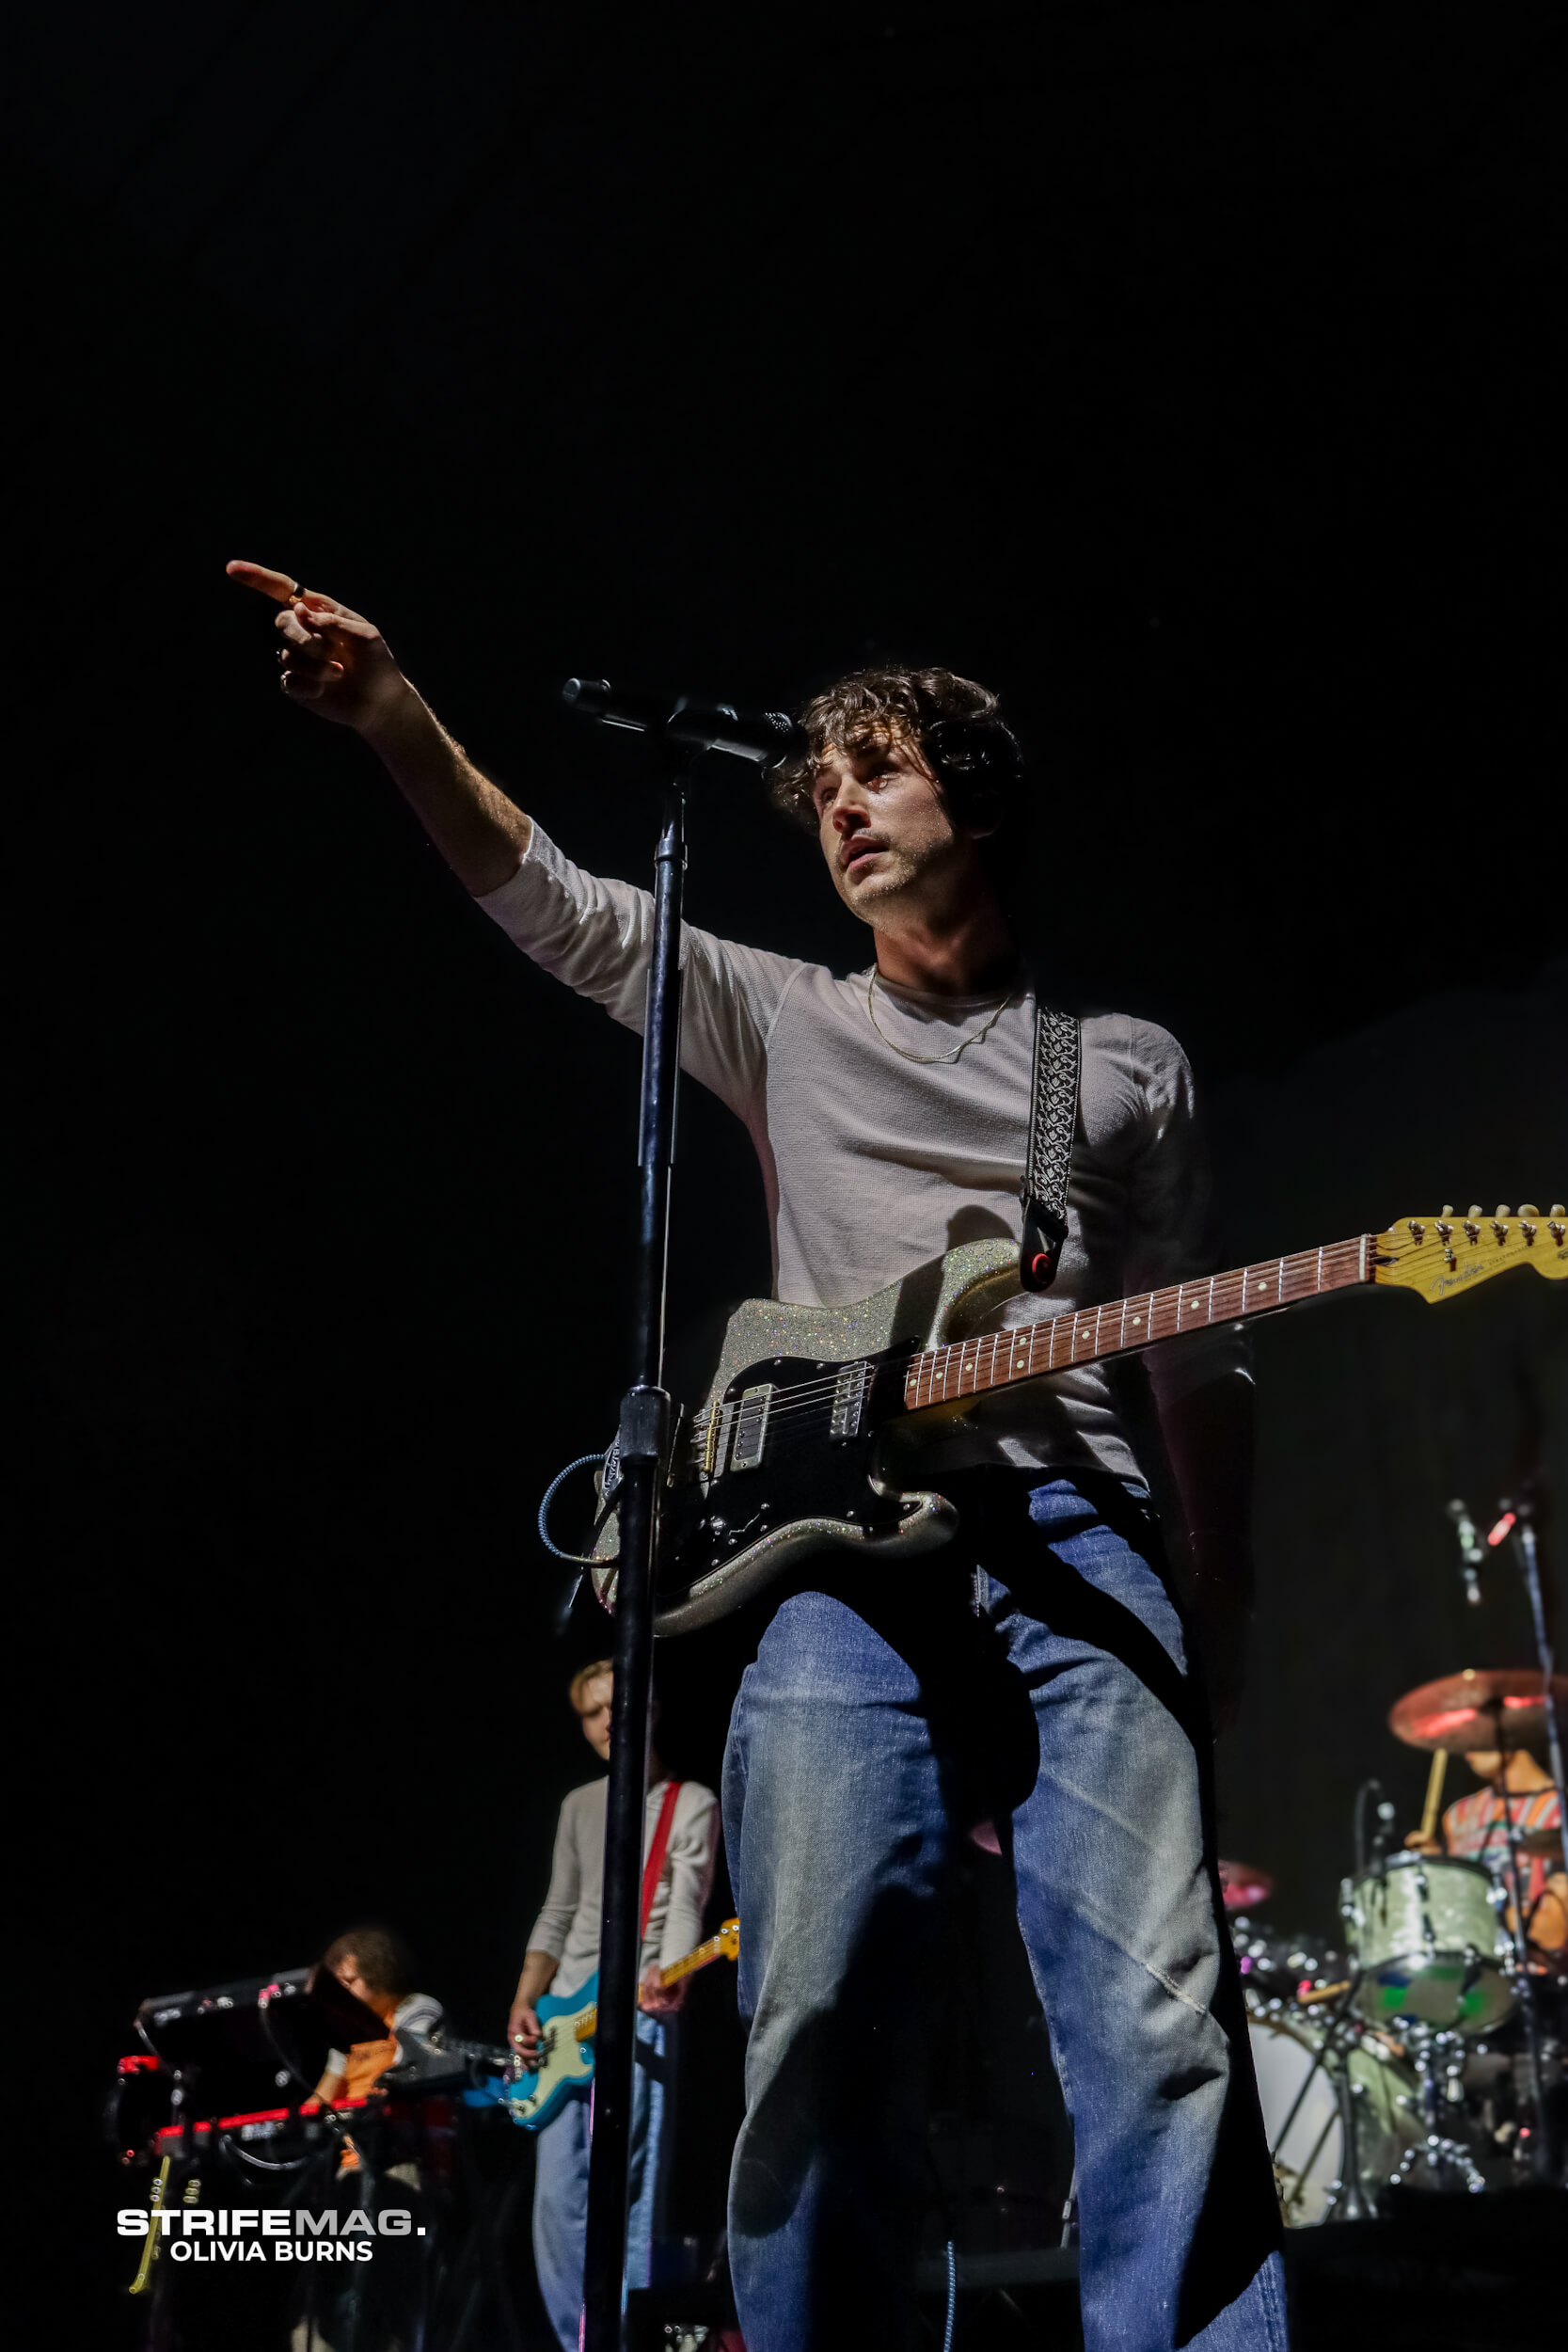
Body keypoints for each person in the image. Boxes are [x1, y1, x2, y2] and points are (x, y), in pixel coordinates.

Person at [229, 560, 1288, 2351]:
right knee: (813, 2016)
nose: (841, 809)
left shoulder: (1118, 1068)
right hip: (829, 1556)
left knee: (1157, 2021)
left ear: (975, 790)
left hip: (1081, 1527)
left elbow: (1193, 1364)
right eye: (819, 791)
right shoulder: (784, 1017)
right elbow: (554, 904)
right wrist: (396, 716)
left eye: (876, 769)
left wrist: (1218, 1607)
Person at [507, 1659, 719, 2351]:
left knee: (630, 2192)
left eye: (614, 1708)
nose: (604, 1725)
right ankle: (580, 2343)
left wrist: (671, 1970)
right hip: (565, 2013)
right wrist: (525, 1999)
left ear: (649, 1710)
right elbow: (558, 1909)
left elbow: (684, 1904)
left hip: (640, 2009)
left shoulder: (691, 1802)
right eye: (591, 1713)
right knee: (555, 2203)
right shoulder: (577, 1806)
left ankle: (626, 2339)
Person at [1406, 1746, 1567, 1953]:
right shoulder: (1458, 1816)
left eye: (1477, 1731)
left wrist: (1477, 1913)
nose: (1468, 1748)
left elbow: (1555, 1933)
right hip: (1473, 1972)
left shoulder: (1559, 1807)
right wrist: (1439, 1871)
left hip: (1539, 1974)